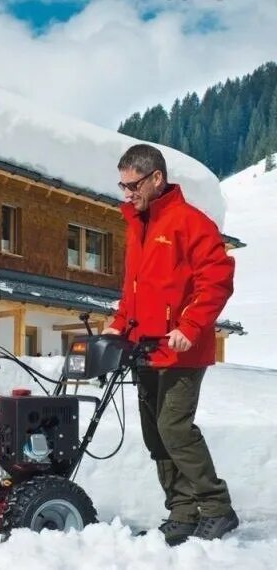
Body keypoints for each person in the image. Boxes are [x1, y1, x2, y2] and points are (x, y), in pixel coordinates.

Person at [102, 144, 238, 545]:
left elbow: (217, 280)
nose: (127, 195)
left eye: (133, 186)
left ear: (156, 178)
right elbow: (134, 291)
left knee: (173, 427)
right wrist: (117, 326)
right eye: (122, 186)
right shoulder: (137, 225)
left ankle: (216, 507)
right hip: (143, 348)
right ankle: (182, 511)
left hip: (182, 348)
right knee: (154, 435)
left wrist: (191, 325)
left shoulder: (190, 222)